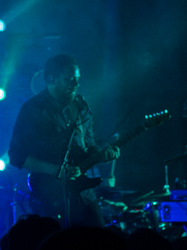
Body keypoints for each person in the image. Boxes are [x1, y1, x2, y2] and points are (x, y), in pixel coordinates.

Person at [8, 54, 119, 226]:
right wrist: (57, 170)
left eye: (77, 78)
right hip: (51, 195)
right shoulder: (33, 110)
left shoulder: (81, 106)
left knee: (100, 245)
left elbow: (89, 146)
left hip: (84, 194)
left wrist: (102, 155)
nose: (76, 84)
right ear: (51, 79)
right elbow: (16, 156)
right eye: (70, 79)